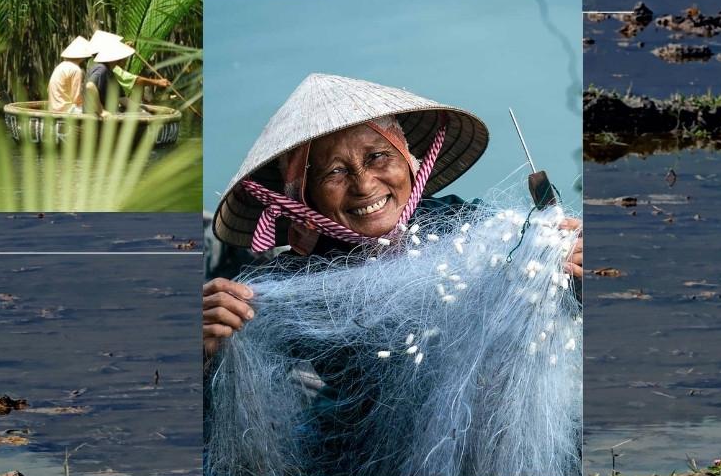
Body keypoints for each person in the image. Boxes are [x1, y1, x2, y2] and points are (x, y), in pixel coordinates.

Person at [201, 73, 583, 357]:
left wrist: (572, 270)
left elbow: (552, 299)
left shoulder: (467, 225)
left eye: (378, 157)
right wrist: (206, 347)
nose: (364, 185)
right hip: (351, 435)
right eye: (335, 172)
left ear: (411, 163)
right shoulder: (290, 283)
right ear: (305, 197)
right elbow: (235, 364)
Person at [81, 31, 168, 115]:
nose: (125, 60)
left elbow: (122, 99)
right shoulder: (101, 69)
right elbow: (90, 86)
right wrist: (101, 112)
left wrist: (142, 112)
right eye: (123, 56)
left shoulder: (110, 73)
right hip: (95, 118)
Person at [47, 36, 93, 114]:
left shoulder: (60, 66)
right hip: (66, 110)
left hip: (53, 108)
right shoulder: (76, 70)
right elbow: (76, 98)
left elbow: (48, 90)